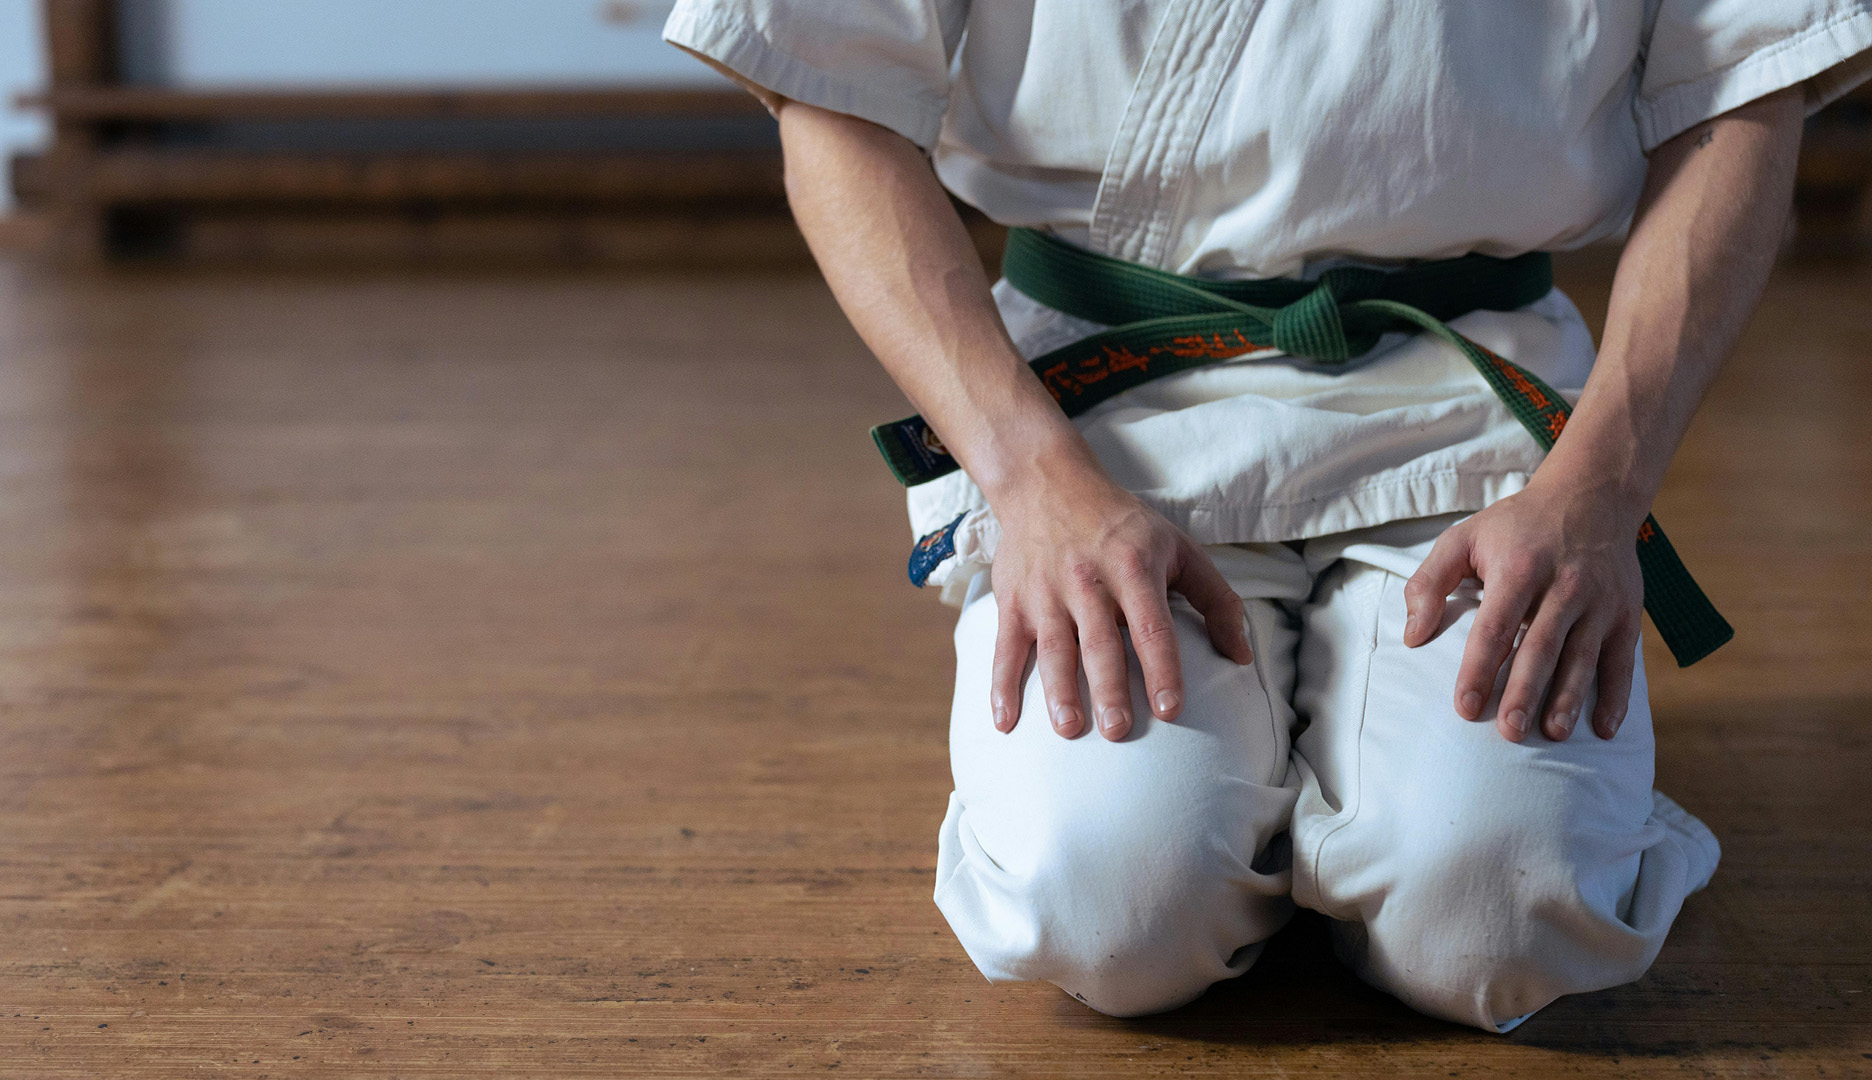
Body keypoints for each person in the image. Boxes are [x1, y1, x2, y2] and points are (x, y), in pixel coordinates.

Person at [665, 0, 1872, 1032]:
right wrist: (1028, 477)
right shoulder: (1056, 457)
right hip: (1101, 415)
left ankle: (1371, 817)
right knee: (1109, 901)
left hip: (1470, 404)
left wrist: (1603, 485)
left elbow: (1738, 89)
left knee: (1502, 910)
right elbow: (833, 94)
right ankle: (1274, 817)